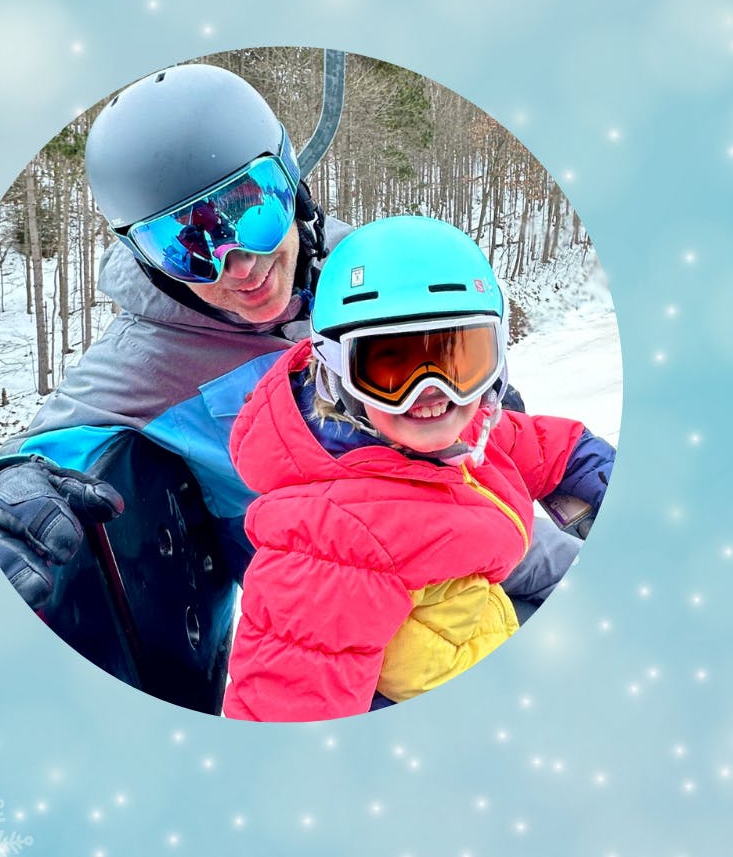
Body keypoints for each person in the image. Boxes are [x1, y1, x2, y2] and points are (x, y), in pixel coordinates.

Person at [0, 63, 595, 690]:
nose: (239, 266)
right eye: (185, 247)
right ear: (142, 256)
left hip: (480, 531)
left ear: (290, 181)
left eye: (250, 214)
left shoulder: (361, 269)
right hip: (343, 619)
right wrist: (3, 483)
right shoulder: (151, 359)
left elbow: (473, 379)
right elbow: (44, 448)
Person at [221, 217, 614, 722]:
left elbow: (538, 445)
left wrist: (596, 468)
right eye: (390, 367)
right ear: (337, 371)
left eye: (459, 359)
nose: (431, 394)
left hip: (479, 597)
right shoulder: (326, 548)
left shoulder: (451, 428)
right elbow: (285, 709)